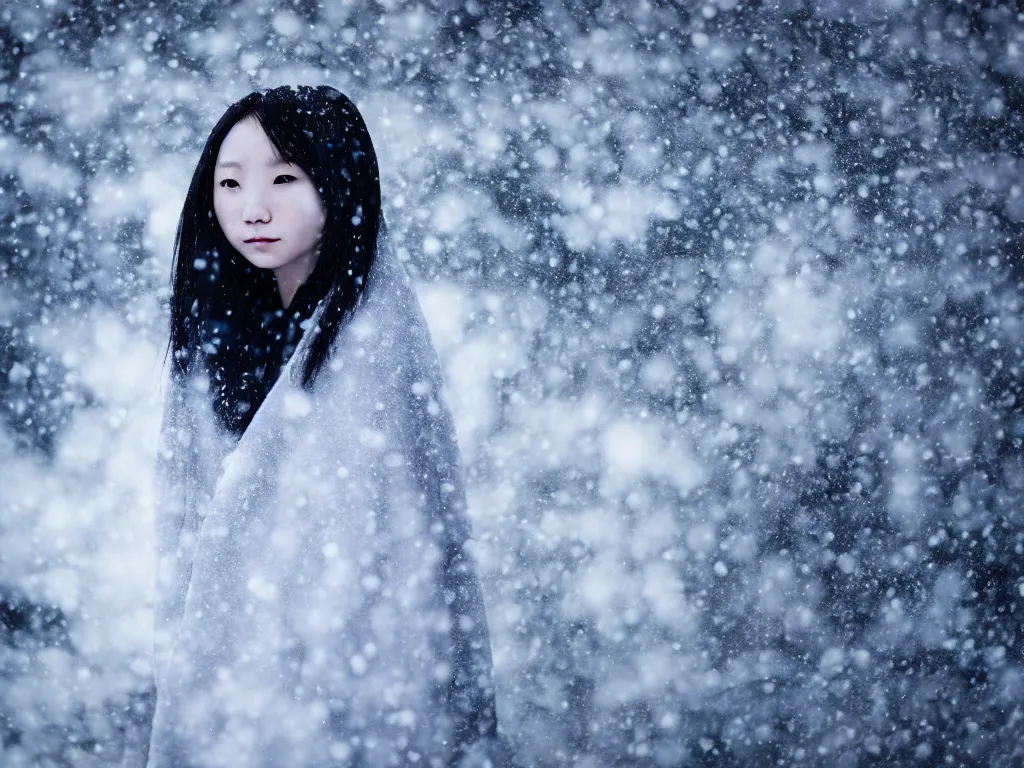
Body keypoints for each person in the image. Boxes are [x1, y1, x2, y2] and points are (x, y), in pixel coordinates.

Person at [146, 85, 502, 767]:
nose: (253, 208)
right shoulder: (231, 336)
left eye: (285, 178)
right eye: (230, 182)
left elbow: (375, 568)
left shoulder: (372, 349)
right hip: (250, 693)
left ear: (338, 186)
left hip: (341, 693)